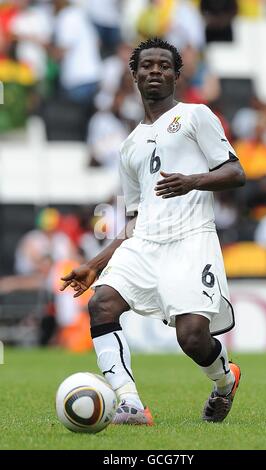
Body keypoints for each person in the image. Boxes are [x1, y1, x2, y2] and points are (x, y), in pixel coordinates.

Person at [60, 38, 246, 425]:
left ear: (177, 75)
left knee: (192, 336)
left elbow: (236, 173)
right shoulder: (128, 147)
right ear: (135, 75)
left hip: (192, 235)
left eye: (164, 65)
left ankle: (225, 382)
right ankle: (128, 403)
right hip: (146, 242)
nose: (155, 71)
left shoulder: (197, 116)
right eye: (147, 65)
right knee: (101, 303)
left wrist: (191, 181)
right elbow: (134, 219)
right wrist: (94, 264)